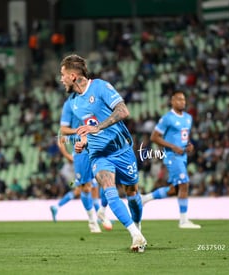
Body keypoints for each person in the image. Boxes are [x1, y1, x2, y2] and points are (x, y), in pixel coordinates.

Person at [59, 54, 146, 252]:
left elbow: (123, 111)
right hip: (99, 154)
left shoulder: (100, 87)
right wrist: (83, 142)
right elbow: (88, 129)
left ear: (73, 76)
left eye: (63, 75)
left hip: (121, 149)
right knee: (108, 188)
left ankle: (138, 227)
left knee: (132, 193)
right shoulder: (74, 103)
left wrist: (99, 127)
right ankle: (135, 234)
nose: (61, 79)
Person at [141, 90, 201, 229]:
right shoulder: (167, 118)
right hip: (172, 156)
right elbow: (154, 137)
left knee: (175, 189)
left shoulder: (188, 118)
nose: (182, 102)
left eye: (184, 99)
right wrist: (173, 147)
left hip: (183, 156)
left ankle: (145, 198)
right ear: (172, 101)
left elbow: (183, 136)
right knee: (184, 184)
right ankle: (183, 221)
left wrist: (189, 145)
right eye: (179, 99)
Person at [50, 99, 112, 232]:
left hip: (94, 152)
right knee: (84, 188)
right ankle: (92, 221)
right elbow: (61, 139)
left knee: (97, 185)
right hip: (80, 156)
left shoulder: (91, 116)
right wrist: (67, 156)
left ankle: (101, 214)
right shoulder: (74, 128)